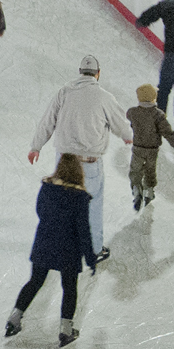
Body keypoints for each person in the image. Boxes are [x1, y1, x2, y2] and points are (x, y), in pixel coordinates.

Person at [28, 54, 134, 263]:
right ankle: (94, 250)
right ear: (98, 74)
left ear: (80, 72)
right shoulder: (104, 97)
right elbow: (121, 125)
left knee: (62, 204)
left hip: (64, 161)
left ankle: (59, 246)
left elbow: (48, 120)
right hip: (89, 162)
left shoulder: (64, 92)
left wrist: (36, 146)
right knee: (91, 206)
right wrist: (128, 137)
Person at [3, 153, 97, 349]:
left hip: (44, 242)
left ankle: (15, 318)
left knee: (35, 281)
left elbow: (40, 211)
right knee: (69, 287)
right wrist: (90, 257)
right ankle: (66, 330)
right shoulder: (80, 197)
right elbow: (83, 230)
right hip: (69, 248)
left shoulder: (46, 188)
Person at [127, 83, 174, 213]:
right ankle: (149, 190)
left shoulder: (132, 112)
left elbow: (127, 120)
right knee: (150, 170)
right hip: (152, 149)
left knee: (135, 170)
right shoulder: (158, 115)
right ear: (154, 98)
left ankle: (136, 189)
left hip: (137, 148)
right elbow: (167, 132)